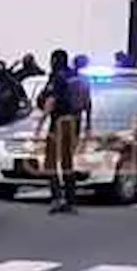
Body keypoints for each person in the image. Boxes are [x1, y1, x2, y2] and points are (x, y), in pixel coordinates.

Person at [36, 50, 90, 214]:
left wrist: (40, 123)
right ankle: (71, 200)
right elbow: (88, 102)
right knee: (67, 161)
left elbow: (51, 101)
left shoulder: (57, 77)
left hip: (59, 122)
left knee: (51, 161)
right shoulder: (78, 78)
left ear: (54, 60)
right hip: (75, 122)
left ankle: (57, 198)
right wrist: (88, 124)